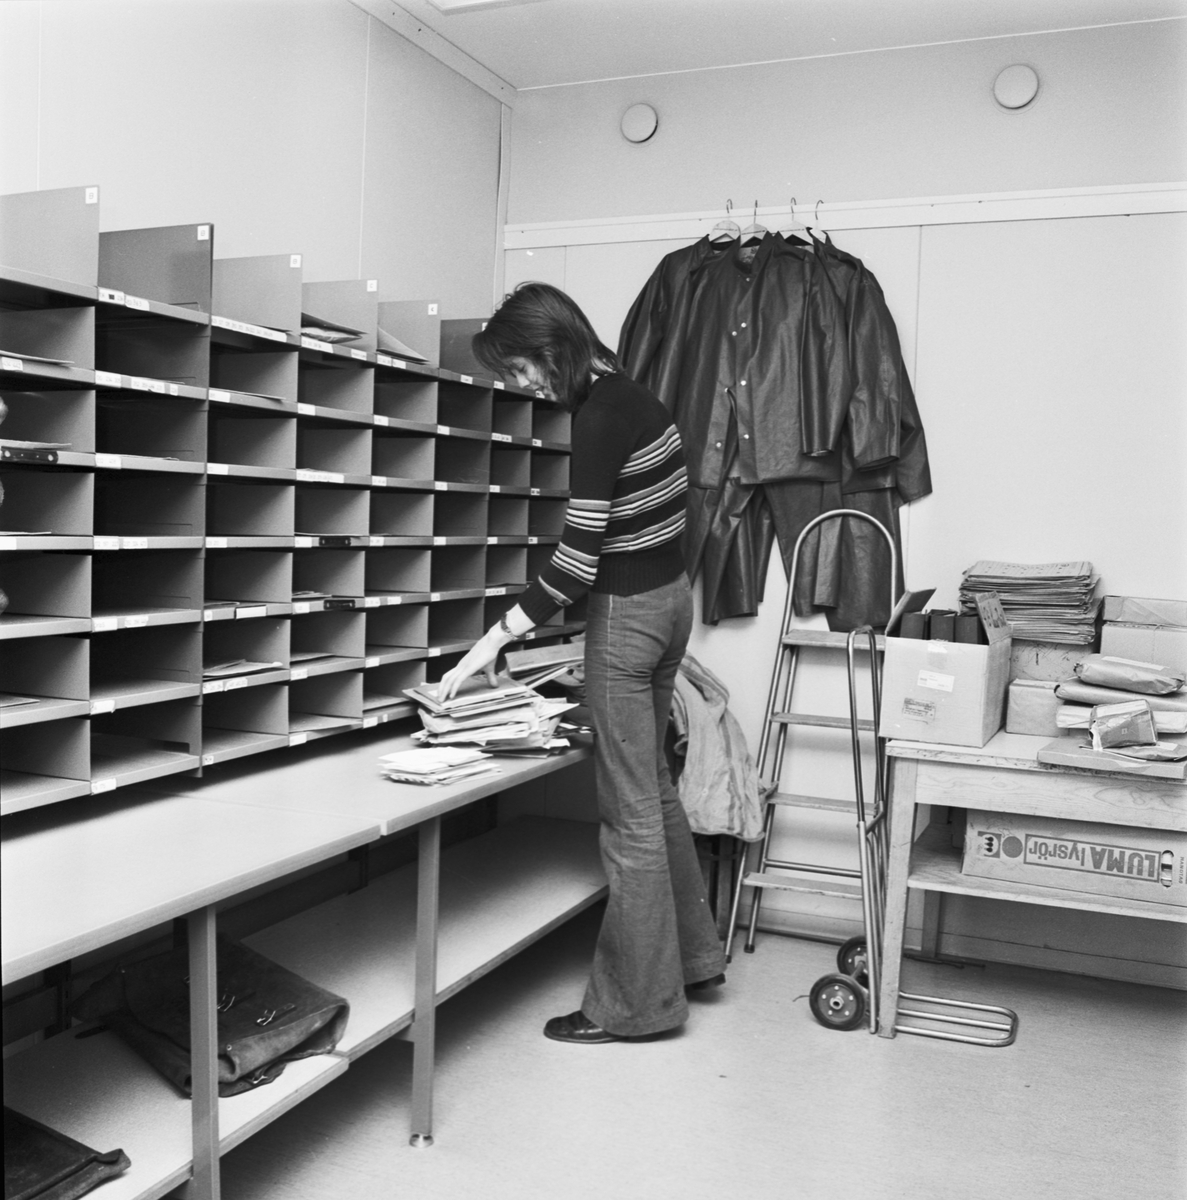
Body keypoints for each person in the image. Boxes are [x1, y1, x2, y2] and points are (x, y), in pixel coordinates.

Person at [438, 283, 726, 1044]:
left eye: (521, 369)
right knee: (653, 790)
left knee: (628, 815)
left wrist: (490, 643)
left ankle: (635, 1007)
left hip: (628, 618)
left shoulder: (598, 419)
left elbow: (574, 564)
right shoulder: (637, 397)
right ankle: (694, 959)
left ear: (552, 348)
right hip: (671, 603)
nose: (522, 386)